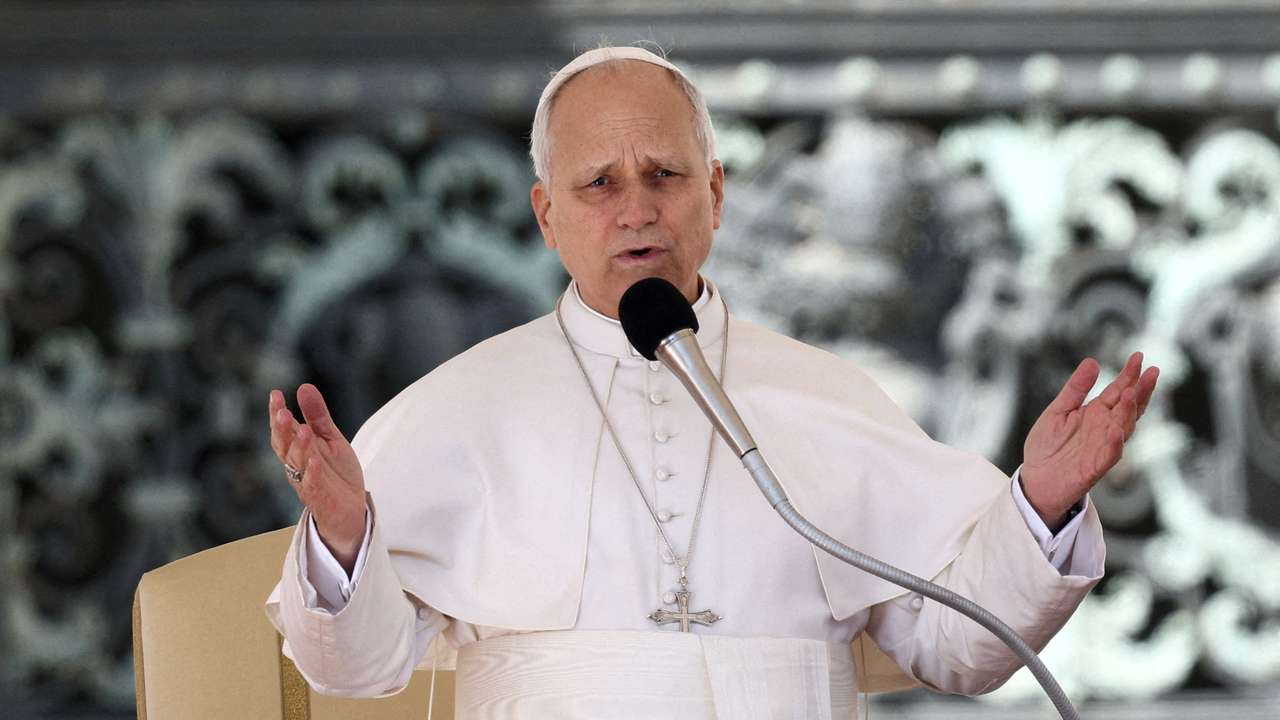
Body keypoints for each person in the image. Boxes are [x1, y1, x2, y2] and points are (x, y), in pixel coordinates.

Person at [265, 46, 1158, 718]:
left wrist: (1040, 505)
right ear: (546, 215)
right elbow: (358, 669)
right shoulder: (460, 406)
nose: (637, 209)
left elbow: (960, 651)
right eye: (598, 183)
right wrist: (343, 541)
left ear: (717, 195)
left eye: (665, 175)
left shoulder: (828, 396)